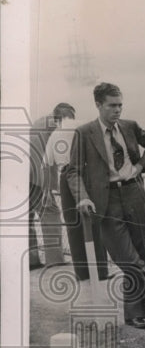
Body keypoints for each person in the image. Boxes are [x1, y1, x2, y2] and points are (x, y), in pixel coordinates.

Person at [64, 83, 145, 328]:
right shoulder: (84, 133)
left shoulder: (129, 126)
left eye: (120, 105)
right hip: (106, 201)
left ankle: (136, 314)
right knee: (126, 257)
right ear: (98, 105)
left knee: (140, 253)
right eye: (112, 106)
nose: (117, 110)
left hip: (133, 193)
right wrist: (82, 196)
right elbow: (73, 171)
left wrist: (140, 167)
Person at [45, 105, 111, 281]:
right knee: (93, 222)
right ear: (73, 114)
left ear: (57, 119)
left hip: (66, 176)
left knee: (73, 225)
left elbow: (48, 160)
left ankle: (81, 273)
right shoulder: (84, 126)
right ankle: (102, 272)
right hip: (87, 175)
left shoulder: (54, 134)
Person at [28, 103, 76, 268]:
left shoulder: (40, 121)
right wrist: (48, 189)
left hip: (24, 176)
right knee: (51, 214)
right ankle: (55, 260)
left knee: (28, 219)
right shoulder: (53, 128)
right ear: (61, 117)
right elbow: (48, 161)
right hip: (38, 177)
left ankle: (32, 260)